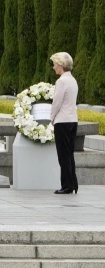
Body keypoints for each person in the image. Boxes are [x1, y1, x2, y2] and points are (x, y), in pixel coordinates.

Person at [50, 52, 79, 195]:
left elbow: (57, 102)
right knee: (69, 153)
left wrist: (51, 118)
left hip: (62, 121)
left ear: (60, 65)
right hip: (73, 119)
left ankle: (67, 185)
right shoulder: (72, 80)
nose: (54, 67)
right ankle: (73, 183)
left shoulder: (61, 81)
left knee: (63, 154)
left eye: (55, 64)